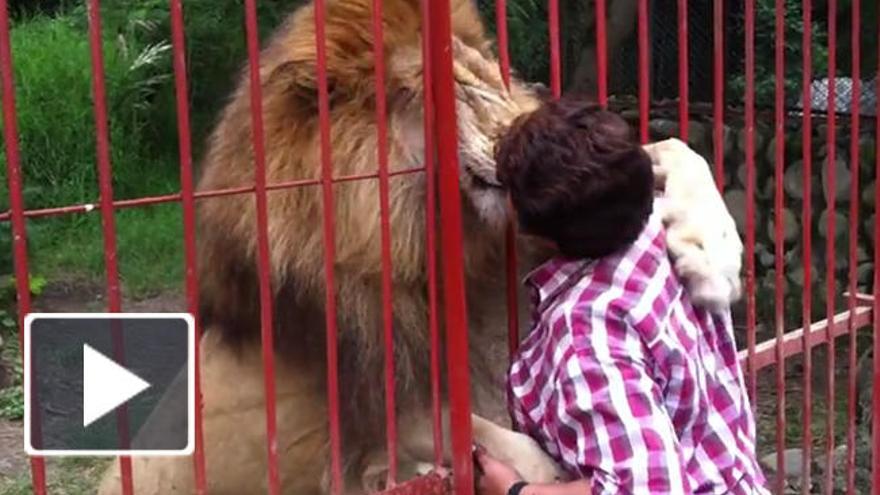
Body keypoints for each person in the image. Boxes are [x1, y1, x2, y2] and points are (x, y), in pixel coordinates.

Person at [474, 99, 769, 495]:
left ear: (532, 229)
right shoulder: (665, 233)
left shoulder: (587, 330)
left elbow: (649, 489)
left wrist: (516, 492)